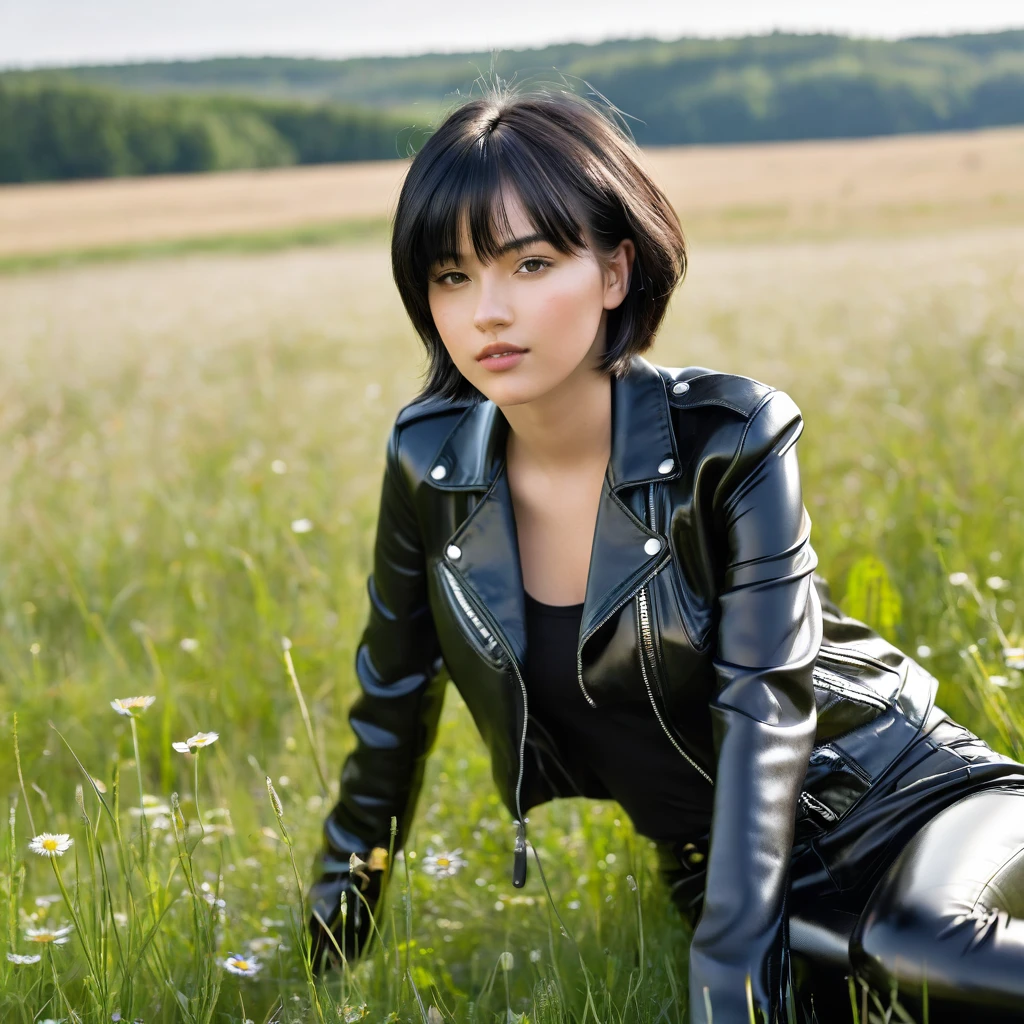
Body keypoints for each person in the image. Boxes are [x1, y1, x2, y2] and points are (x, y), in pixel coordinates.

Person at [306, 85, 1024, 1023]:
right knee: (856, 978)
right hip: (721, 867)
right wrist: (325, 949)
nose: (487, 311)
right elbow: (391, 703)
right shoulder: (429, 463)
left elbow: (765, 706)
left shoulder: (731, 437)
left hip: (908, 796)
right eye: (452, 276)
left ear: (615, 270)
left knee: (908, 943)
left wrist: (729, 981)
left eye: (530, 264)